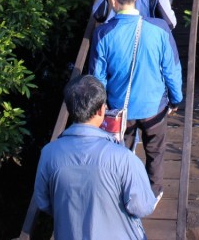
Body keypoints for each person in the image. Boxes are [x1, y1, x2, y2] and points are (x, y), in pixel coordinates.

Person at [32, 75, 158, 240]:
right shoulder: (124, 158)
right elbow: (143, 206)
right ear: (101, 110)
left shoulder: (48, 154)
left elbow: (43, 202)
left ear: (70, 110)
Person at [90, 0, 183, 197]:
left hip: (121, 110)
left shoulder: (103, 34)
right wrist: (176, 99)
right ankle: (154, 190)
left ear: (112, 1)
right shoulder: (160, 28)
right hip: (155, 108)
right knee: (155, 151)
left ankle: (124, 188)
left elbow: (98, 78)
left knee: (121, 153)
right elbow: (172, 70)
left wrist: (101, 110)